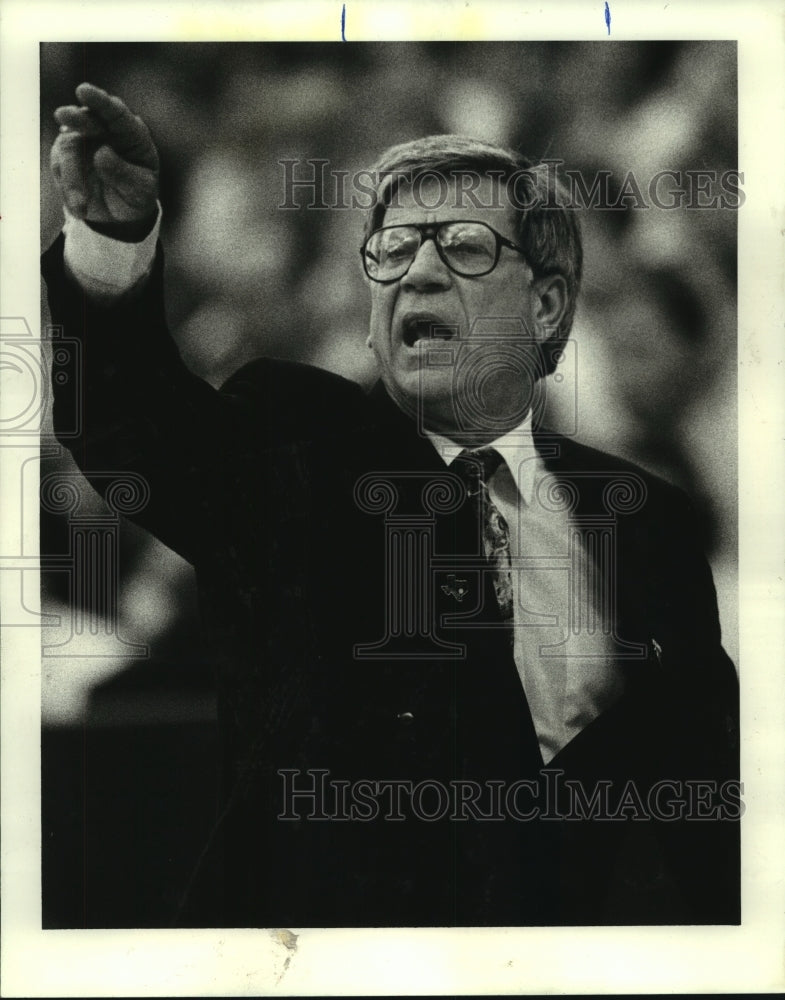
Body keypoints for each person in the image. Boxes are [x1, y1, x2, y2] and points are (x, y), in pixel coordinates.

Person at [43, 82, 740, 927]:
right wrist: (112, 239)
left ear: (546, 305)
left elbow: (703, 818)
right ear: (372, 317)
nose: (416, 272)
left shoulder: (650, 525)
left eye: (464, 248)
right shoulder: (298, 450)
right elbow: (135, 429)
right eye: (393, 249)